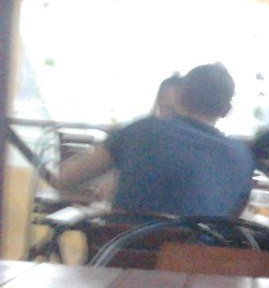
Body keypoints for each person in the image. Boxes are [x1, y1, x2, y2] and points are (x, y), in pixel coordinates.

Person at [49, 62, 256, 218]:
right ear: (226, 110)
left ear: (180, 97)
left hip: (124, 255)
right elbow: (231, 218)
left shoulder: (142, 130)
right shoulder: (242, 156)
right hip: (199, 261)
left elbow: (65, 178)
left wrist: (117, 176)